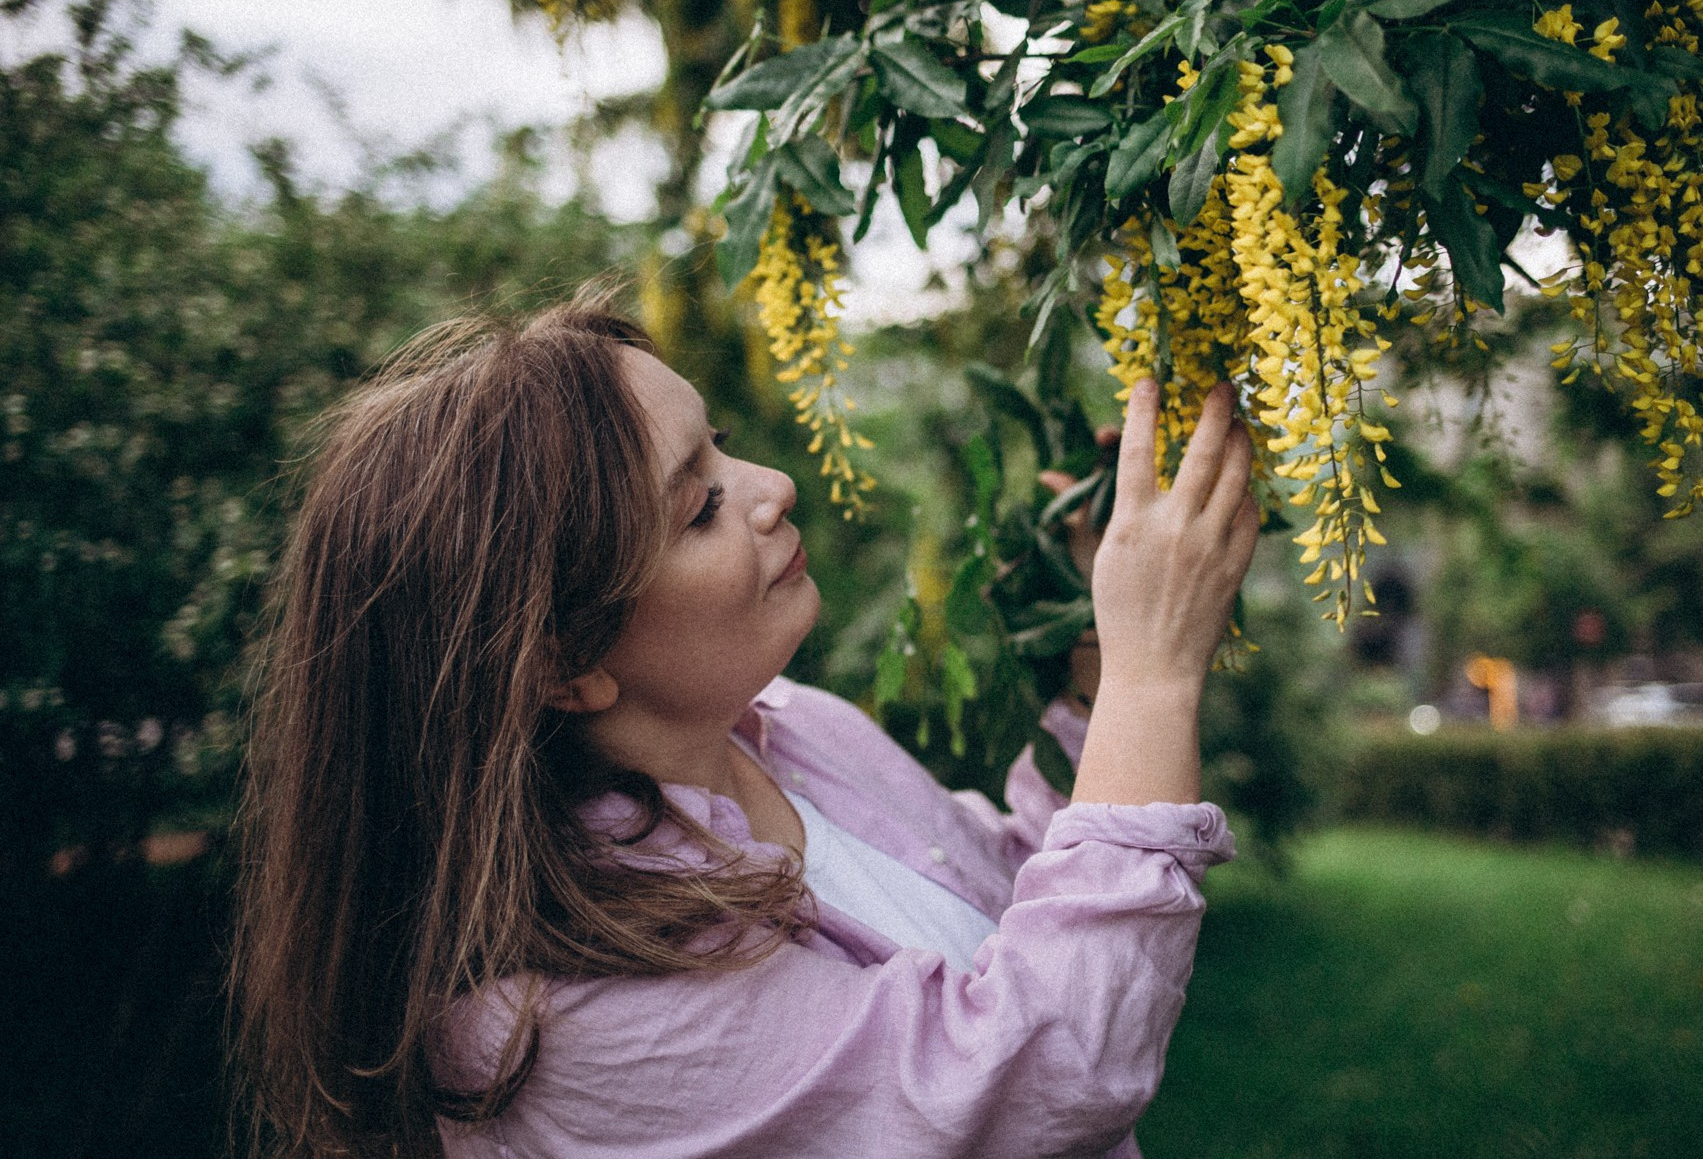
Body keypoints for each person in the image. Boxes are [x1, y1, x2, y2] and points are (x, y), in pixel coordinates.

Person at [231, 298, 1261, 1158]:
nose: (774, 487)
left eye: (719, 443)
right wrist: (1151, 675)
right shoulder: (560, 1021)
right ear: (560, 663)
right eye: (698, 507)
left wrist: (1097, 665)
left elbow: (1015, 909)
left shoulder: (789, 729)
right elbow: (1037, 1074)